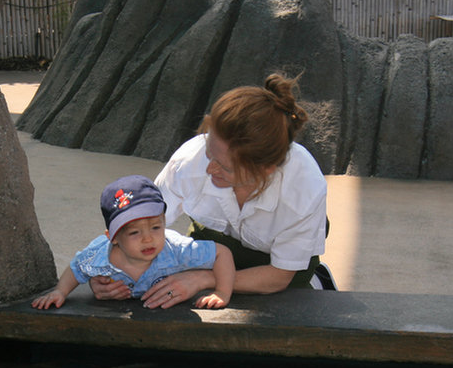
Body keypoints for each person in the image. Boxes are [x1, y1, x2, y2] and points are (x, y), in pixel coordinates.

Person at [90, 74, 328, 309]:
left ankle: (319, 280)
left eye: (224, 166)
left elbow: (279, 276)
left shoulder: (303, 189)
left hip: (275, 270)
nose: (209, 167)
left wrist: (205, 279)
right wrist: (102, 273)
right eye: (209, 151)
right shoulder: (189, 161)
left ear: (266, 169)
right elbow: (134, 222)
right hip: (211, 248)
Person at [32, 174, 235, 310]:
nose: (148, 238)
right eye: (134, 232)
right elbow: (77, 267)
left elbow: (221, 253)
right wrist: (60, 291)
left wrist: (222, 292)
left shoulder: (175, 248)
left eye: (156, 227)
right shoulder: (100, 256)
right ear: (113, 237)